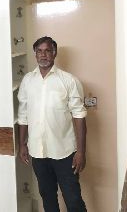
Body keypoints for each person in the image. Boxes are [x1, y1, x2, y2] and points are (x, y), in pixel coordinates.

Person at [18, 36, 87, 212]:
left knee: (73, 200)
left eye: (47, 50)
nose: (43, 55)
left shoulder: (68, 80)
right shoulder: (27, 80)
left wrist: (81, 152)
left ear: (54, 53)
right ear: (35, 54)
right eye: (39, 51)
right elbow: (23, 114)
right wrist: (22, 144)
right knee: (48, 198)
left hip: (65, 153)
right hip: (38, 152)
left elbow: (79, 116)